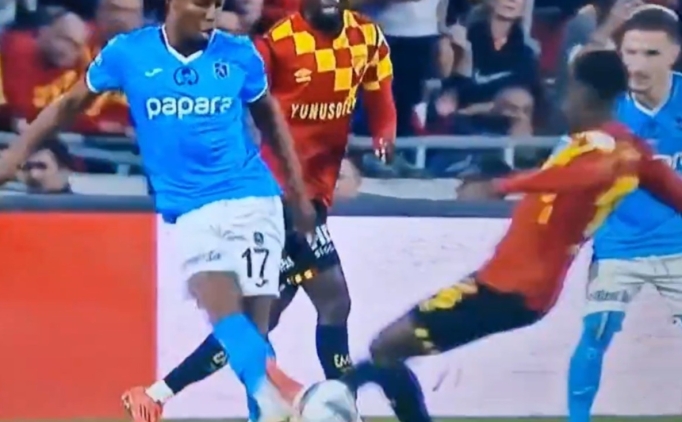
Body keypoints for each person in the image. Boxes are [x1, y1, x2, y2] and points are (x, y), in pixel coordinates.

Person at [267, 49, 682, 422]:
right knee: (387, 349)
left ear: (584, 94)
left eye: (569, 90)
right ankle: (332, 397)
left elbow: (583, 176)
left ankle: (326, 400)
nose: (562, 101)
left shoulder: (615, 156)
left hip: (515, 291)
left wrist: (504, 185)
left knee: (387, 348)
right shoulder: (613, 149)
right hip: (499, 283)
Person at [0, 1, 316, 422]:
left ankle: (290, 397)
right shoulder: (128, 53)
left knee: (241, 325)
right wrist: (13, 157)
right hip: (190, 209)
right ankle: (294, 399)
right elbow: (67, 106)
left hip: (252, 200)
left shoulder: (240, 54)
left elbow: (271, 121)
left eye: (218, 5)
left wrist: (297, 193)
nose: (211, 14)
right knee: (238, 328)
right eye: (202, 4)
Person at [121, 1, 396, 421]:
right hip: (277, 198)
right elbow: (235, 95)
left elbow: (380, 88)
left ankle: (158, 393)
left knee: (266, 319)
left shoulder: (365, 36)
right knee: (330, 300)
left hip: (309, 198)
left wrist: (383, 130)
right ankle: (343, 408)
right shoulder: (277, 45)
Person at [567, 8, 682, 422]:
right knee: (597, 329)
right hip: (619, 245)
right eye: (630, 53)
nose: (637, 65)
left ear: (674, 54)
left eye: (651, 53)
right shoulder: (603, 108)